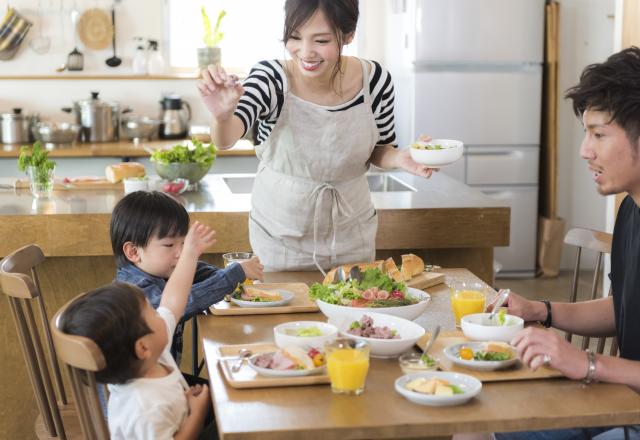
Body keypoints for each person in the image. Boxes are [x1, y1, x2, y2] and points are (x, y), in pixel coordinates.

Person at [197, 0, 434, 273]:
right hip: (281, 237)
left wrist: (400, 158)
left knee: (354, 310)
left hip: (351, 234)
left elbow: (380, 149)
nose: (306, 52)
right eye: (295, 37)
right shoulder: (270, 78)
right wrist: (222, 116)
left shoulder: (375, 80)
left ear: (348, 35)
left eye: (321, 40)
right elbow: (226, 139)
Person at [488, 47, 640, 440]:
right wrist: (542, 310)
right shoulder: (631, 211)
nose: (584, 151)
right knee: (480, 423)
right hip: (622, 399)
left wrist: (588, 364)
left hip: (629, 412)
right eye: (586, 133)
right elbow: (622, 307)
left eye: (599, 134)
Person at [61, 221, 218, 439]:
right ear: (142, 347)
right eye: (152, 314)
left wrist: (190, 253)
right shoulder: (145, 407)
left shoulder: (151, 356)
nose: (161, 313)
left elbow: (173, 300)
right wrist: (197, 413)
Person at [111, 191, 264, 364]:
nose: (181, 253)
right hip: (144, 388)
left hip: (166, 379)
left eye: (184, 243)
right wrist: (233, 275)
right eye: (170, 244)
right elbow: (184, 301)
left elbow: (196, 270)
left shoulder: (160, 271)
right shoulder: (134, 293)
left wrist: (225, 277)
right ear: (133, 252)